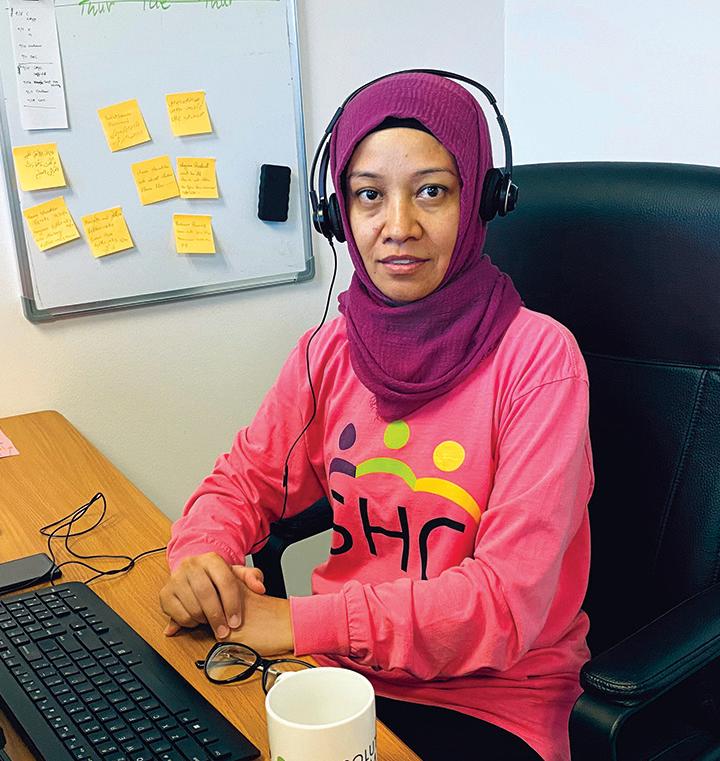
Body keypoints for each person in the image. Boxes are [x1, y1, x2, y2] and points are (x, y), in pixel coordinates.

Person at [160, 72, 594, 761]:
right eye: (369, 195)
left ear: (480, 200)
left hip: (491, 697)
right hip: (339, 672)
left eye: (432, 191)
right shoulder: (328, 350)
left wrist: (297, 622)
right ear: (338, 213)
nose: (399, 227)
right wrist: (200, 559)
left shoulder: (541, 361)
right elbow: (243, 480)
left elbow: (502, 605)